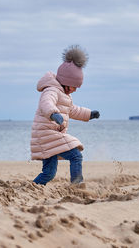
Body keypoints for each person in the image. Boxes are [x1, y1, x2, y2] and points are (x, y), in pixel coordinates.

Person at [30, 45, 100, 185]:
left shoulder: (64, 95)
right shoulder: (51, 90)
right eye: (74, 86)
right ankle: (77, 184)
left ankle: (32, 188)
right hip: (47, 134)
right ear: (66, 82)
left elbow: (72, 110)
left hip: (50, 136)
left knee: (49, 173)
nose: (75, 90)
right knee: (76, 155)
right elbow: (46, 104)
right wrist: (53, 114)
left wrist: (89, 114)